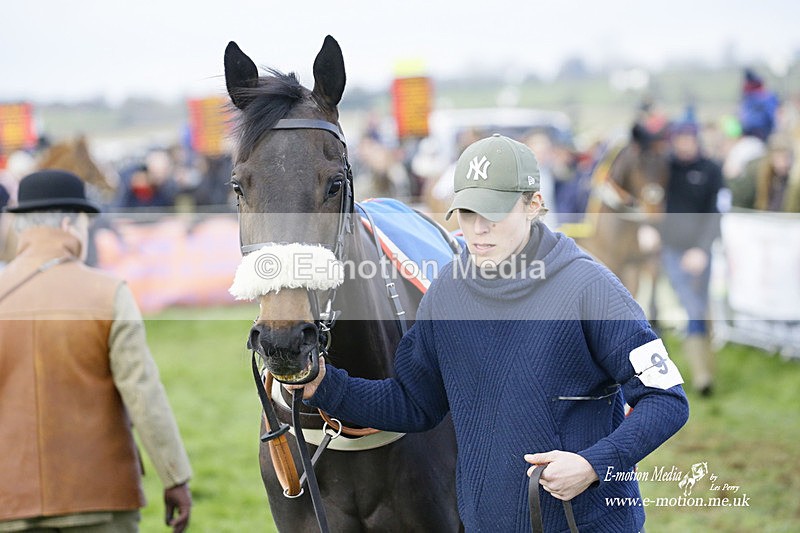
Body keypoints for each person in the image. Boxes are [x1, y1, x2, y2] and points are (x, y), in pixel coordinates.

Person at [288, 135, 689, 532]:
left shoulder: (590, 287)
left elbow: (666, 399)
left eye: (494, 214)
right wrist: (327, 386)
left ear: (533, 204)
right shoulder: (445, 295)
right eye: (467, 213)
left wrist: (592, 465)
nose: (478, 230)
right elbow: (414, 402)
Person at [0, 170, 192, 532]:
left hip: (9, 500)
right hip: (101, 496)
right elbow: (143, 393)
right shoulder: (109, 292)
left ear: (23, 225)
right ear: (72, 222)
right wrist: (175, 477)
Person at [661, 118, 723, 396]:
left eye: (689, 138)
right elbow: (650, 199)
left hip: (700, 251)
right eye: (680, 139)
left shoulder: (711, 170)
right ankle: (702, 377)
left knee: (699, 305)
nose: (684, 144)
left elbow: (715, 212)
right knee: (692, 305)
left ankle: (705, 370)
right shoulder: (666, 168)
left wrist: (701, 248)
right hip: (671, 249)